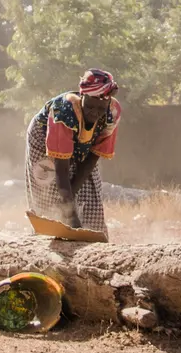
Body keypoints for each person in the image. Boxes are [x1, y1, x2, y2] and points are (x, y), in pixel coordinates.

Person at [25, 69, 120, 240]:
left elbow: (91, 160)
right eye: (90, 106)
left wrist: (71, 202)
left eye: (100, 108)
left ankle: (90, 235)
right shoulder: (64, 110)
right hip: (43, 138)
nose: (94, 113)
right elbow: (61, 171)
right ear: (82, 97)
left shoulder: (112, 114)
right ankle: (47, 238)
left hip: (83, 144)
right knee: (49, 188)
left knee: (89, 190)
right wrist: (71, 219)